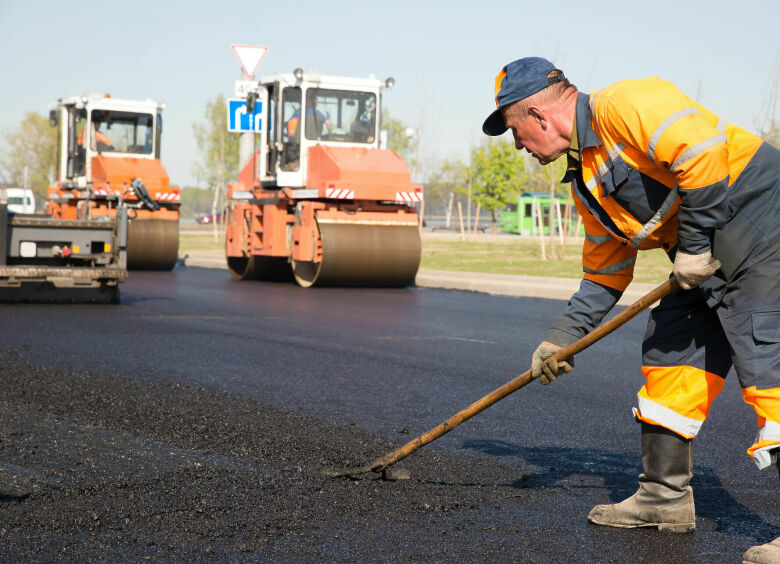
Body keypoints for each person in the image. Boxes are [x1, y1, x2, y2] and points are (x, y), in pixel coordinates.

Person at [482, 57, 779, 562]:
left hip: (763, 230)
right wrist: (561, 339)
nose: (519, 147)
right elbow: (604, 274)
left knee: (768, 365)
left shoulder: (623, 104)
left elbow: (702, 154)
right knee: (670, 351)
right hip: (702, 257)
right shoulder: (586, 182)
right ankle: (664, 500)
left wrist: (692, 244)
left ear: (538, 115)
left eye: (515, 131)